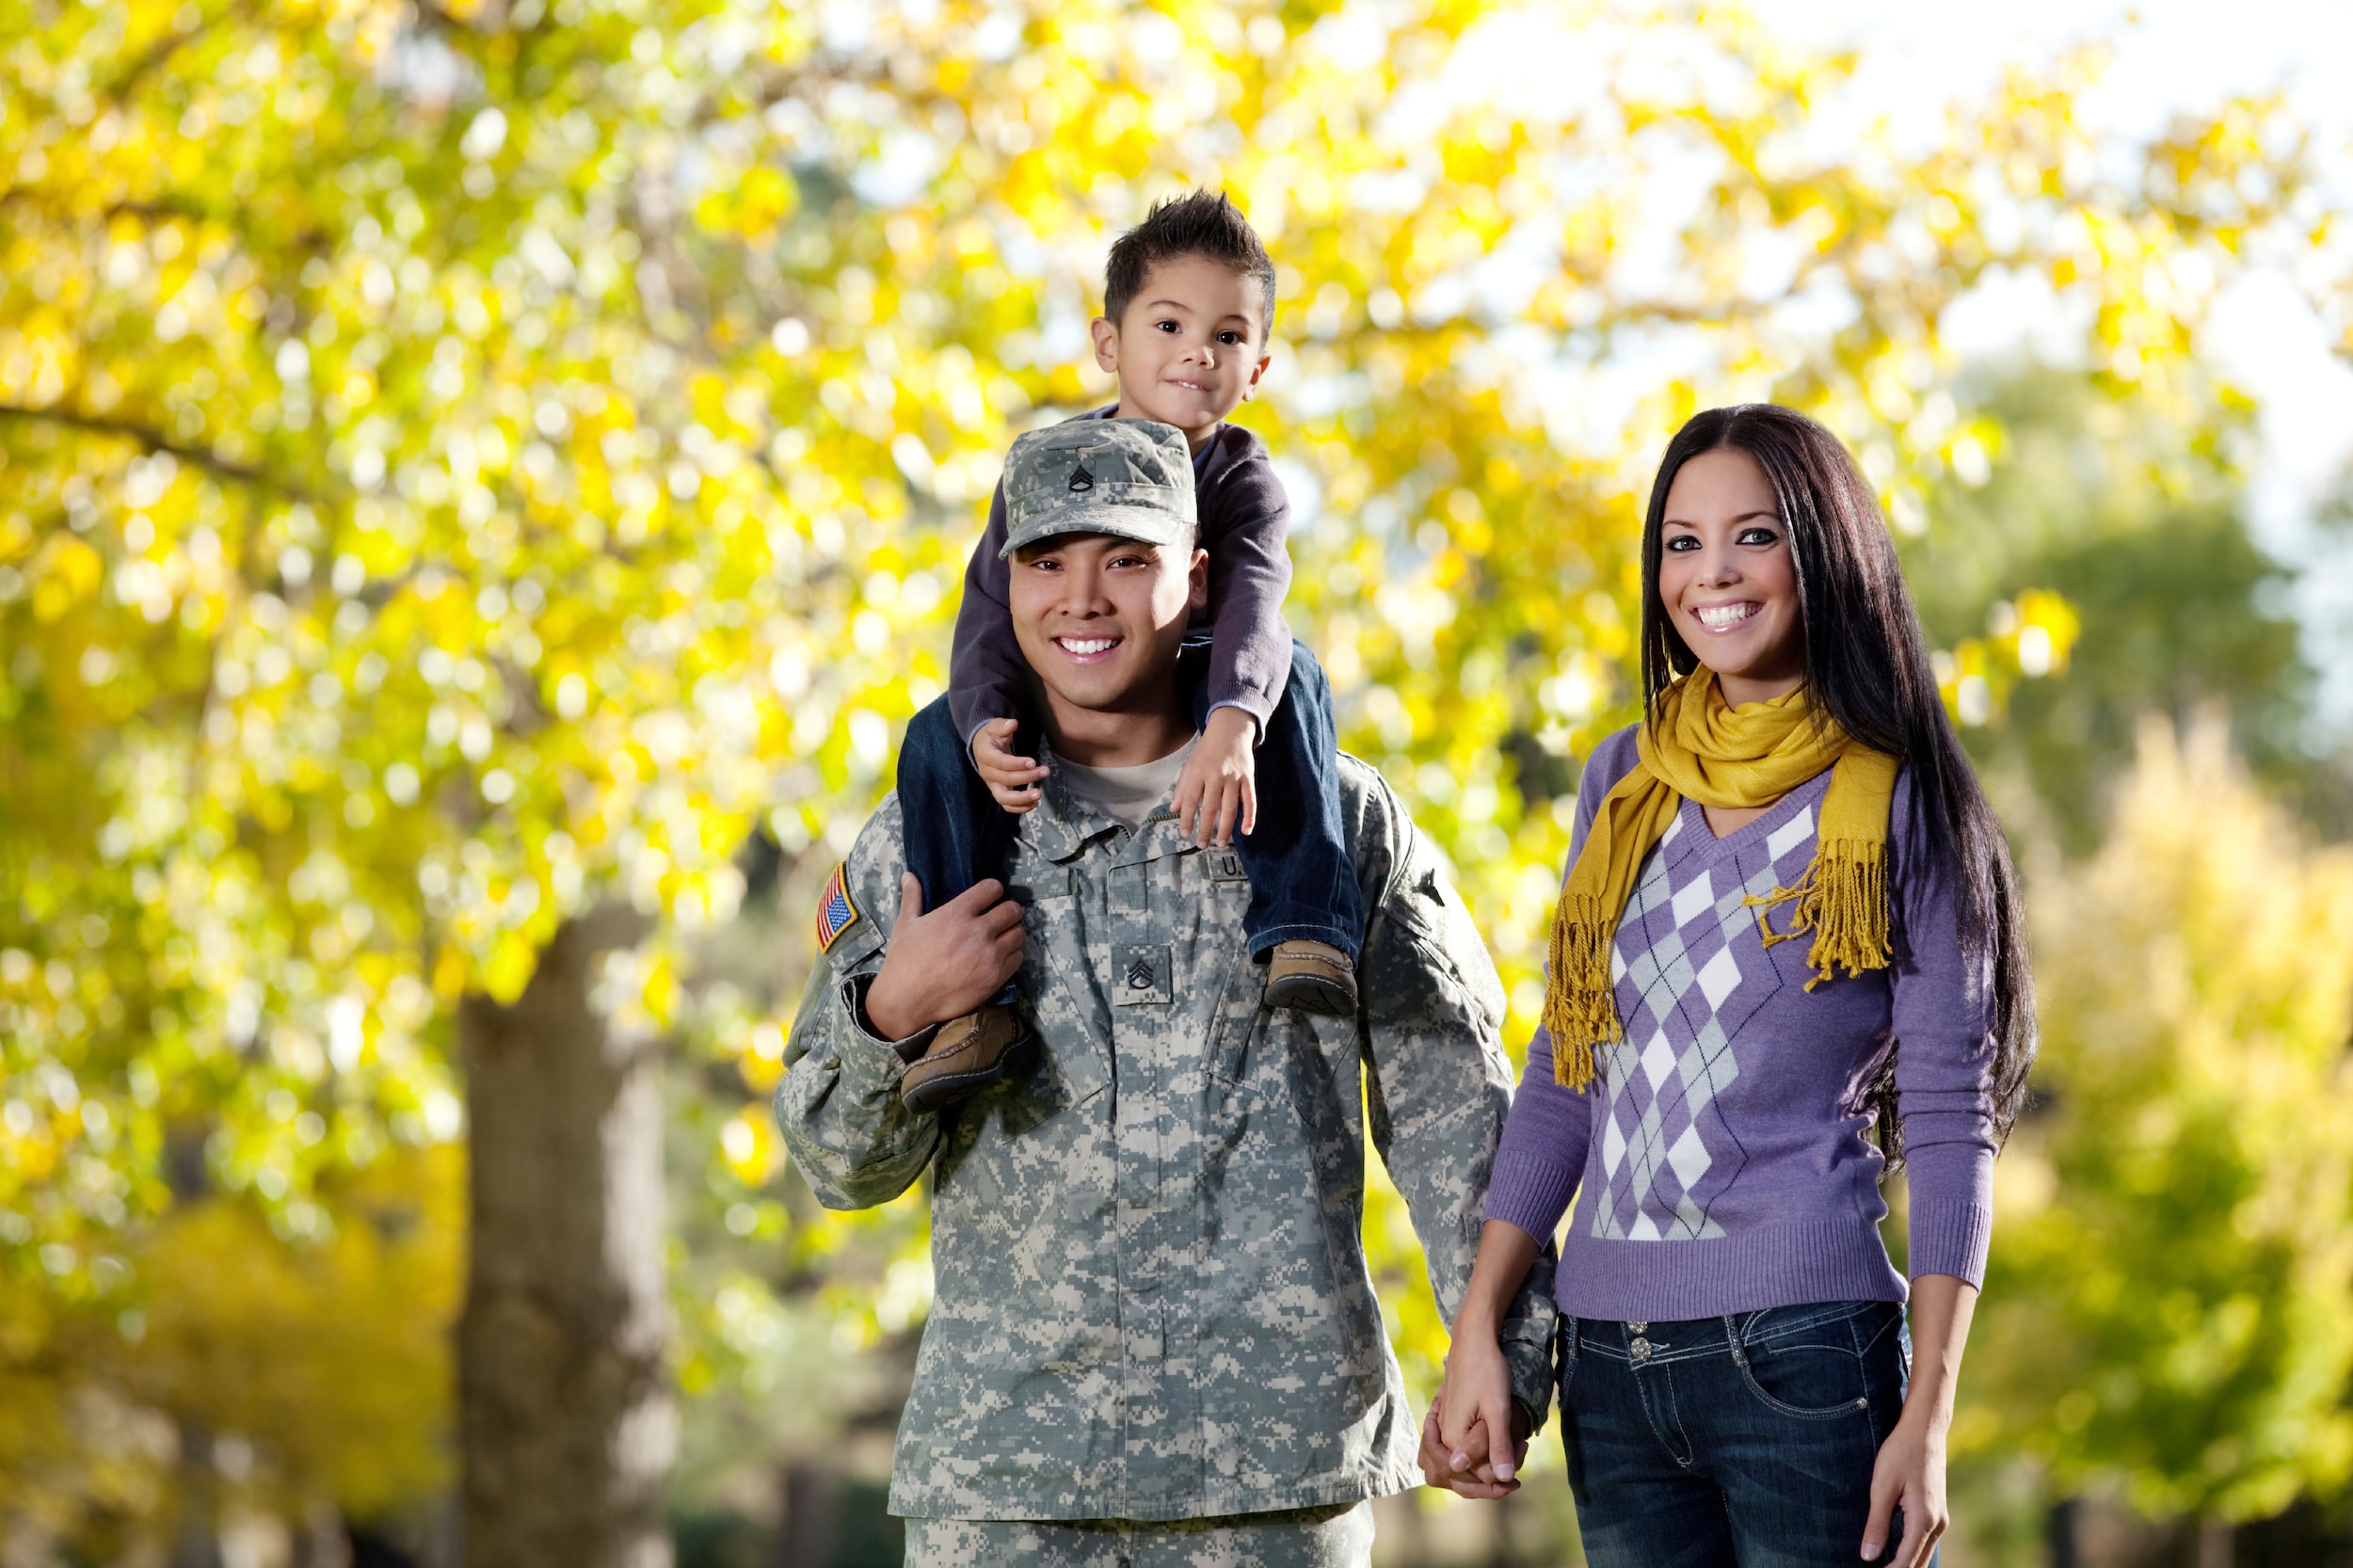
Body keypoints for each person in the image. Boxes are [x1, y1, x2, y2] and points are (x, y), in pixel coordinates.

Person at [776, 417, 1555, 1568]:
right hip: (1007, 1487)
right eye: (1046, 561)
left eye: (1125, 560)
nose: (1080, 599)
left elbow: (1459, 1119)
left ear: (1195, 578)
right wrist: (893, 1013)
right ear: (1005, 581)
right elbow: (835, 1163)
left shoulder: (1326, 820)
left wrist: (1502, 1346)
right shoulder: (931, 834)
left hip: (1274, 1483)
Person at [1424, 405, 2035, 1568]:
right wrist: (1475, 1332)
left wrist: (1933, 1411)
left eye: (1751, 536)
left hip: (1804, 1355)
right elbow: (1566, 1071)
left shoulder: (1901, 804)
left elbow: (1957, 1123)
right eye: (1680, 542)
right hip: (1608, 1362)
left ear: (1823, 552)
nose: (1712, 574)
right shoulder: (1624, 780)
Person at [889, 189, 1364, 1114]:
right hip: (1065, 684)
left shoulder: (1244, 481)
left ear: (1257, 366)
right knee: (934, 737)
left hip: (1201, 680)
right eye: (1170, 324)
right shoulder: (1048, 468)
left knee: (1294, 674)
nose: (1197, 351)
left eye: (1227, 337)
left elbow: (1257, 605)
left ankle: (1305, 918)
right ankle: (966, 1009)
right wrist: (986, 719)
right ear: (1109, 345)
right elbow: (989, 607)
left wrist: (1232, 722)